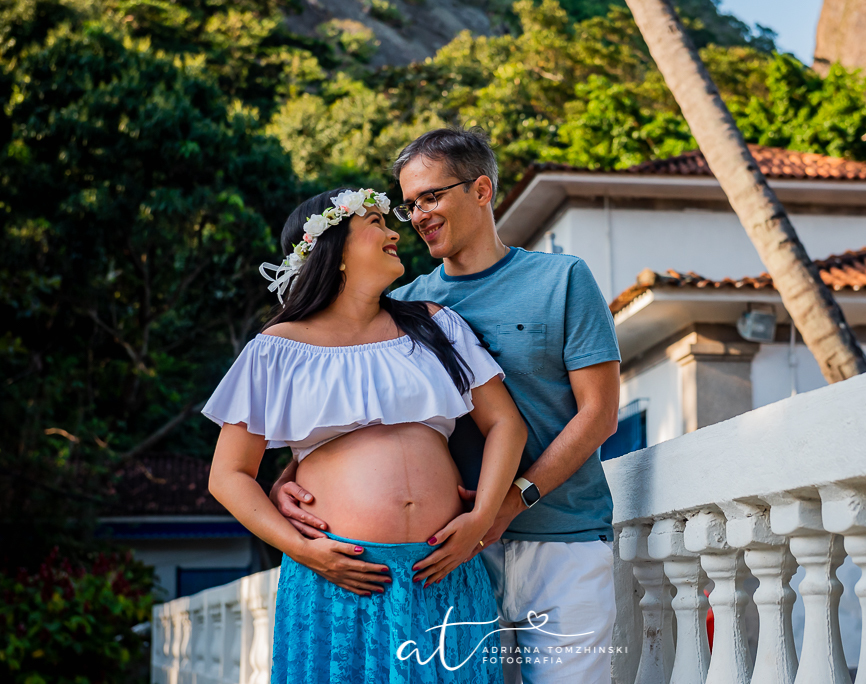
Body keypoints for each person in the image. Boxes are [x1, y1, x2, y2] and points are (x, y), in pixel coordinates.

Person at [272, 129, 622, 683]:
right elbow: (362, 412)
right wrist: (288, 479)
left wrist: (507, 503)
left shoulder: (563, 278)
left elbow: (599, 414)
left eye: (431, 197)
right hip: (450, 556)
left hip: (562, 539)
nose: (416, 216)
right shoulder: (408, 306)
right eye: (408, 204)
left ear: (481, 190)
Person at [205, 186, 527, 683]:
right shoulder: (276, 349)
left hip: (443, 566)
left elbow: (505, 423)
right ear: (331, 252)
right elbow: (228, 475)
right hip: (340, 576)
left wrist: (481, 517)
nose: (395, 230)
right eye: (375, 222)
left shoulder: (436, 326)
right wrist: (304, 550)